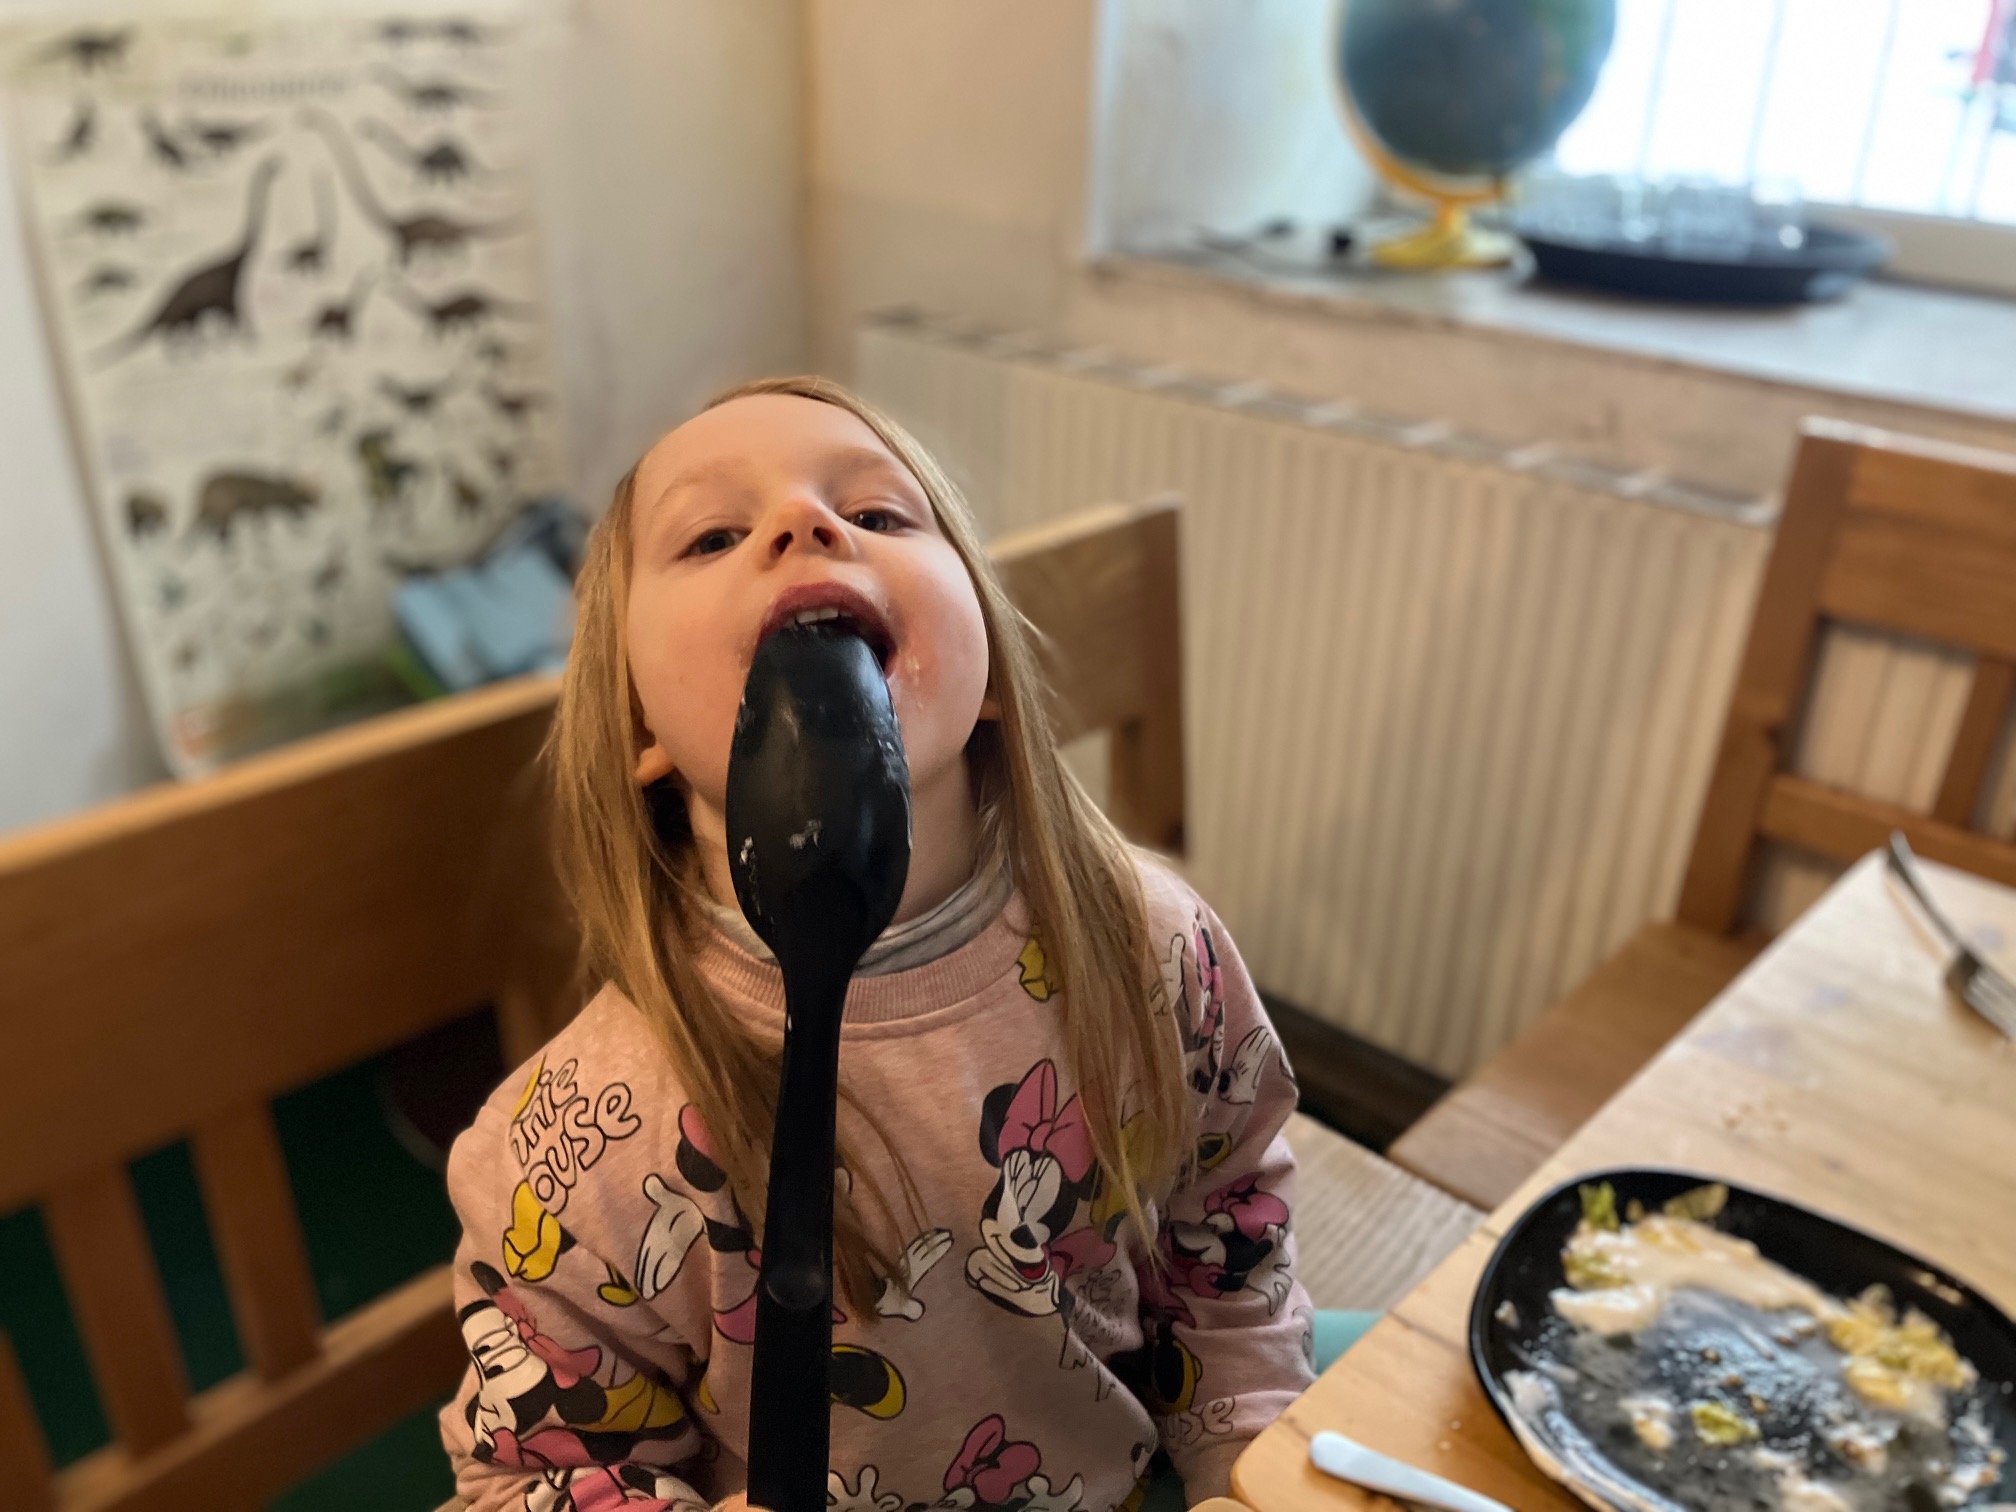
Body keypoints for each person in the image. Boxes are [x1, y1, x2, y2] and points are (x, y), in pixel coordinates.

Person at [439, 377, 1314, 1512]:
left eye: (880, 513)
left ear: (988, 665)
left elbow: (1226, 1226)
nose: (804, 524)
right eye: (712, 536)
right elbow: (528, 1479)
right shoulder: (572, 1150)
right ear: (637, 721)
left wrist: (1243, 1460)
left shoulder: (1150, 950)